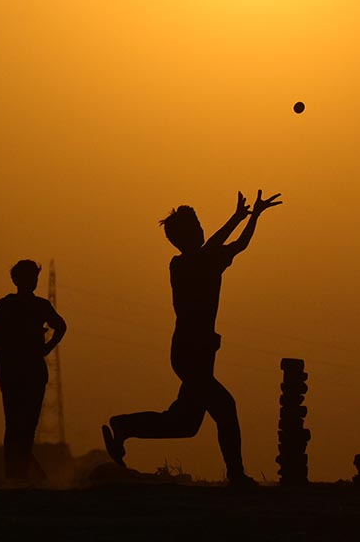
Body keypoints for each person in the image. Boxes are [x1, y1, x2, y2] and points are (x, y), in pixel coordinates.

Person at [102, 190, 282, 486]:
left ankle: (124, 425)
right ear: (183, 237)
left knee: (184, 423)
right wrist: (245, 217)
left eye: (200, 225)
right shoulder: (189, 264)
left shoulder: (197, 260)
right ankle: (236, 474)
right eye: (196, 227)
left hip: (197, 353)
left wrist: (246, 217)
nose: (201, 230)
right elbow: (229, 244)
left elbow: (227, 245)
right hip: (190, 352)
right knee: (225, 407)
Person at [0, 259, 67, 479]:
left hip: (24, 374)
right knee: (18, 426)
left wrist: (46, 347)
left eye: (34, 277)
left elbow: (61, 326)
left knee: (20, 426)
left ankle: (19, 475)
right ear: (16, 280)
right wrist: (36, 342)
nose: (33, 282)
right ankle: (20, 475)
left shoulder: (17, 306)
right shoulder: (12, 306)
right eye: (29, 277)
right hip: (17, 374)